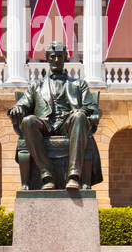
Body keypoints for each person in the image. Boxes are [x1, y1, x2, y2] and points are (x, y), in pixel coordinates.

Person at [8, 41, 99, 190]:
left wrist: (80, 112)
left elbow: (92, 107)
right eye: (53, 56)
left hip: (69, 124)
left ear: (65, 58)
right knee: (28, 121)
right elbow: (23, 103)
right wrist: (17, 108)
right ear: (47, 58)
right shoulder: (36, 85)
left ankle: (74, 176)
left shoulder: (79, 84)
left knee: (79, 117)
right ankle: (46, 174)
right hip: (45, 125)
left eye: (60, 56)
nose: (56, 60)